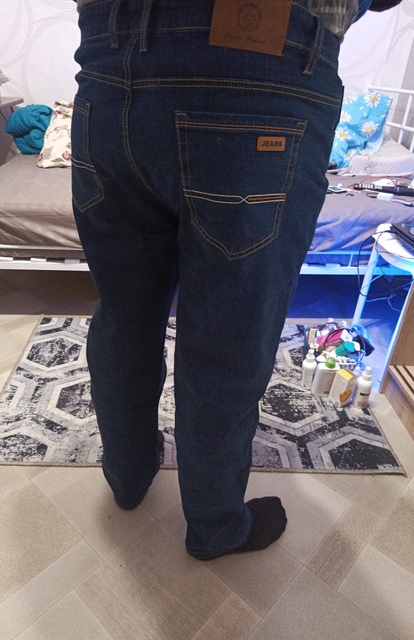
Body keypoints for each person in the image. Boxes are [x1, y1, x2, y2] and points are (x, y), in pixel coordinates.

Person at [71, 0, 401, 561]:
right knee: (229, 339)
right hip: (260, 62)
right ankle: (216, 524)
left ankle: (127, 475)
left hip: (107, 60)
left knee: (124, 316)